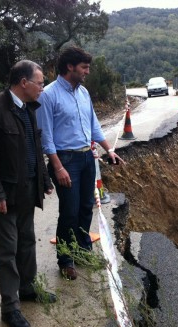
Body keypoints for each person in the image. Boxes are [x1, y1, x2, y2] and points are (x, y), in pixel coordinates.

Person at [0, 60, 56, 327]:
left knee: (27, 241)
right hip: (2, 195)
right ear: (23, 83)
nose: (43, 87)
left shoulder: (30, 108)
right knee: (7, 251)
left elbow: (35, 146)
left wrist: (44, 179)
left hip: (26, 189)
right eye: (40, 82)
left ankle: (28, 288)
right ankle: (10, 307)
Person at [36, 46, 124, 281]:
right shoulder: (48, 95)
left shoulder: (83, 93)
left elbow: (94, 125)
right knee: (70, 211)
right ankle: (65, 260)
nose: (87, 72)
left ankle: (82, 251)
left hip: (87, 157)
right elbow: (46, 137)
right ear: (69, 67)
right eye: (84, 67)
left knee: (87, 207)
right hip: (66, 159)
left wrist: (109, 150)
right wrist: (58, 167)